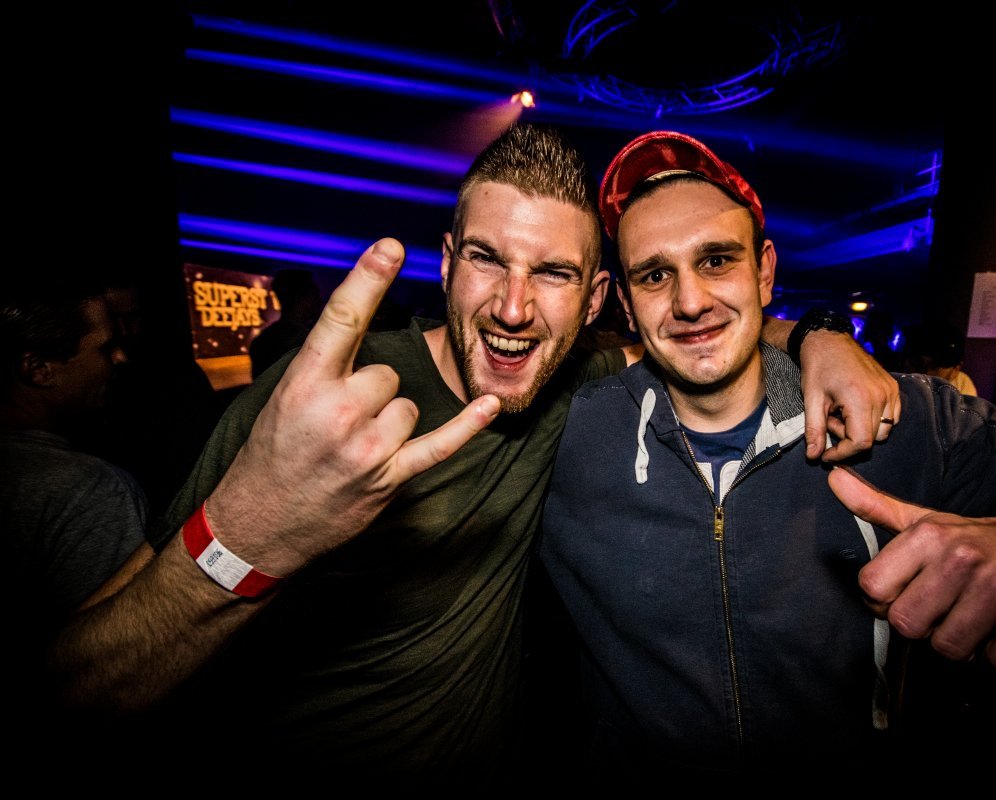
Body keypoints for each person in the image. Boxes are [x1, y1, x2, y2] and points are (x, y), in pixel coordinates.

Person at [45, 123, 899, 787]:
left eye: (553, 273)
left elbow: (704, 325)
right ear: (449, 264)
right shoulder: (326, 397)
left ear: (596, 301)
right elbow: (80, 688)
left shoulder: (581, 379)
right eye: (487, 259)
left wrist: (822, 338)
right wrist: (249, 539)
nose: (514, 309)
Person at [537, 130, 996, 793]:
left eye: (716, 260)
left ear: (763, 271)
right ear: (626, 303)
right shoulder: (567, 435)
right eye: (655, 275)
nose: (689, 301)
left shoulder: (906, 419)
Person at [1, 276, 147, 758]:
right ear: (39, 369)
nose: (120, 358)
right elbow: (124, 667)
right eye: (104, 348)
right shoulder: (87, 490)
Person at [249, 267, 324, 378]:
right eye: (315, 295)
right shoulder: (308, 342)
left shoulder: (261, 341)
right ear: (300, 299)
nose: (320, 300)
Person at [901, 319, 978, 396]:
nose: (923, 374)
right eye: (917, 363)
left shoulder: (962, 384)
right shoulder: (897, 378)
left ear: (956, 369)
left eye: (934, 367)